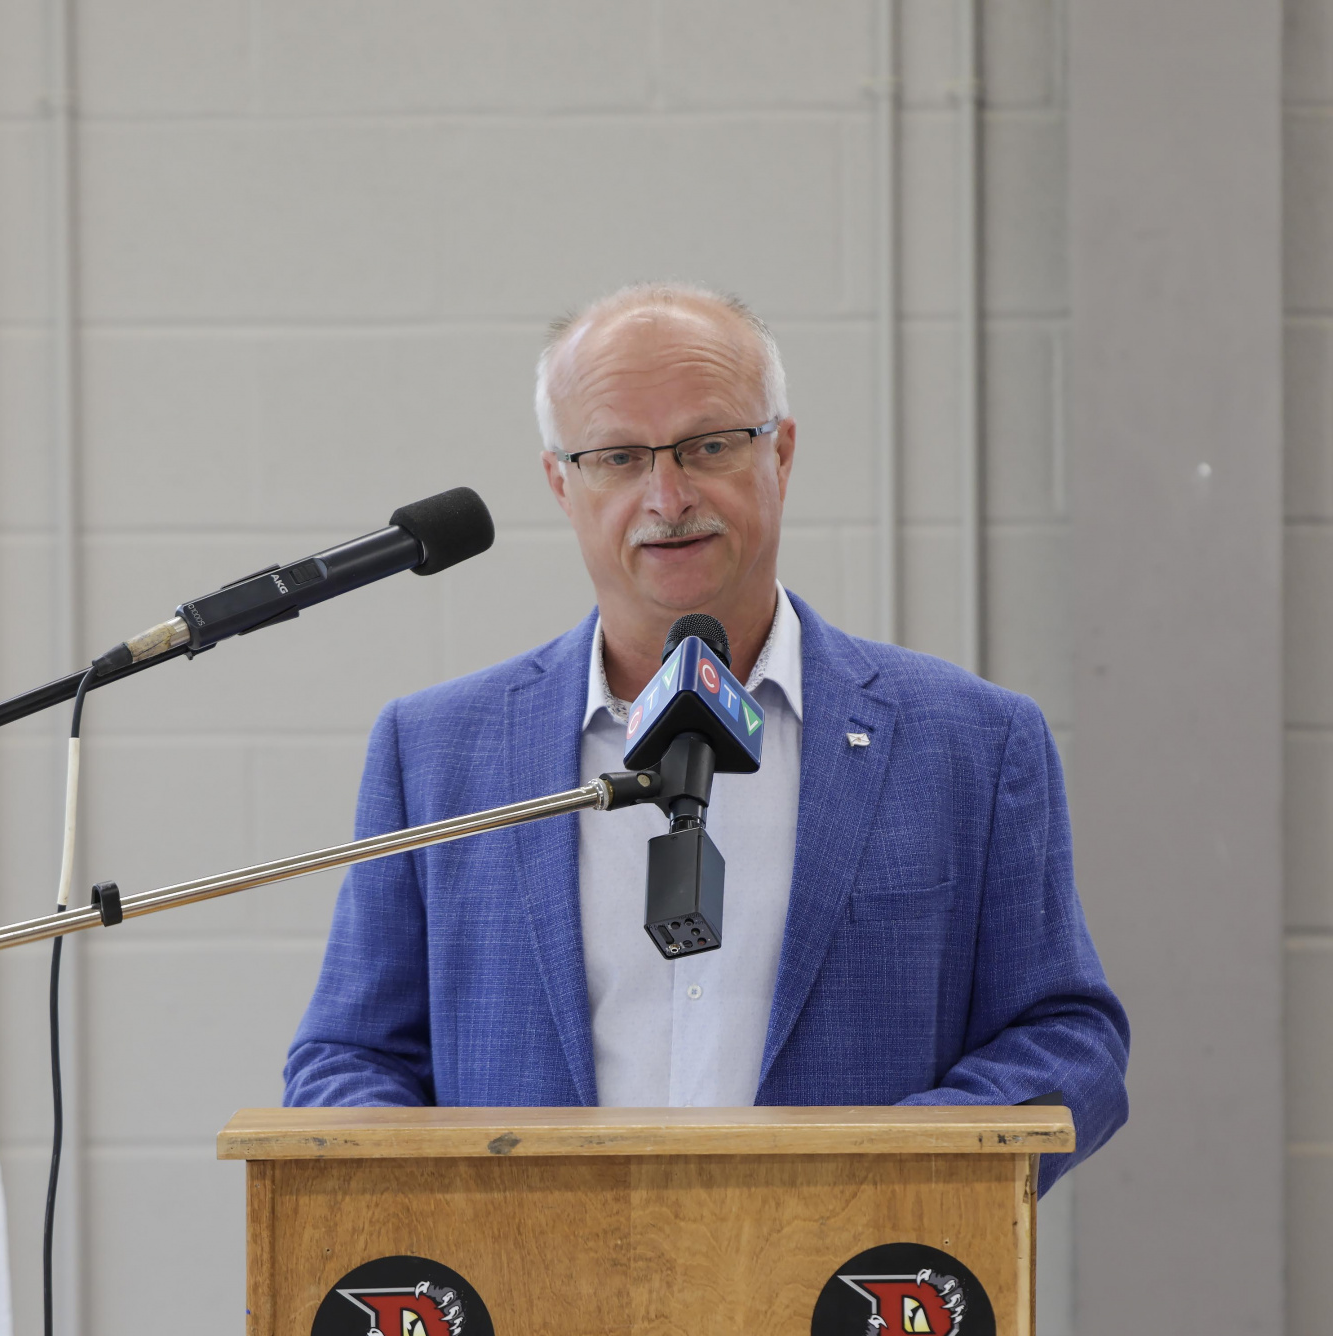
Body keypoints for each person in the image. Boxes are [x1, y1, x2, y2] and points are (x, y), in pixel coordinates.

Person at [282, 282, 1127, 1189]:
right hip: (531, 1301)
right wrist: (437, 1206)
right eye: (617, 456)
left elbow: (1065, 1042)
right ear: (561, 483)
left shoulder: (971, 742)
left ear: (784, 453)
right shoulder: (437, 750)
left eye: (710, 445)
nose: (668, 495)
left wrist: (884, 1179)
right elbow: (347, 1060)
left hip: (845, 1300)